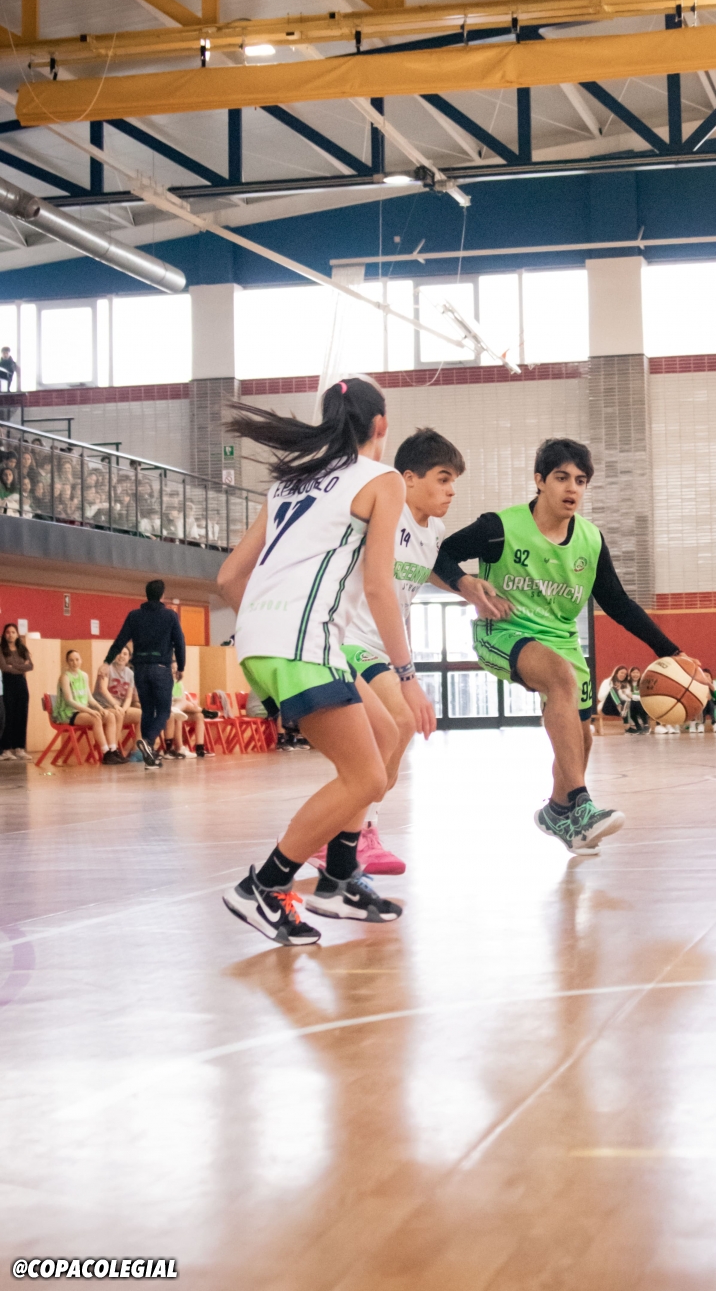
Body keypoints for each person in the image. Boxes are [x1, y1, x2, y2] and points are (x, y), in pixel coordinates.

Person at [218, 375, 435, 947]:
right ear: (380, 425)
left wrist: (267, 626)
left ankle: (338, 878)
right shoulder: (382, 479)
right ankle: (264, 887)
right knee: (366, 776)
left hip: (269, 638)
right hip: (301, 642)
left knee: (387, 733)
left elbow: (229, 577)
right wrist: (408, 677)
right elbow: (380, 587)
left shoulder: (291, 480)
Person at [431, 436, 691, 855]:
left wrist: (671, 651)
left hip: (561, 640)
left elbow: (618, 603)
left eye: (581, 480)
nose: (572, 488)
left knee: (581, 739)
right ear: (540, 480)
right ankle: (583, 806)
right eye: (561, 477)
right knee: (559, 677)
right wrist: (465, 583)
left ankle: (557, 810)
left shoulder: (590, 540)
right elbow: (441, 554)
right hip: (503, 631)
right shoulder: (499, 528)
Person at [332, 427, 463, 875]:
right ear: (408, 478)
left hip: (381, 647)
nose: (450, 491)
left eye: (453, 482)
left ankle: (350, 827)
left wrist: (469, 587)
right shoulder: (385, 511)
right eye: (442, 479)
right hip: (350, 638)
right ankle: (352, 834)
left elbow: (414, 586)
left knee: (388, 741)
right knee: (401, 721)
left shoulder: (436, 531)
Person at [105, 580, 186, 769]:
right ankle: (148, 742)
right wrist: (181, 666)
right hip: (161, 668)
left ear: (147, 594)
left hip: (140, 670)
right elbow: (179, 643)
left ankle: (150, 759)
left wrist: (107, 661)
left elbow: (120, 640)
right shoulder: (170, 615)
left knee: (148, 710)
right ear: (162, 595)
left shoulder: (134, 616)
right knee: (164, 711)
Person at [53, 649, 125, 763]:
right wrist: (90, 711)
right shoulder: (65, 677)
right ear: (67, 662)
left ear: (81, 660)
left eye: (77, 659)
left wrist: (100, 709)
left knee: (110, 716)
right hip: (69, 713)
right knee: (95, 718)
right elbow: (69, 700)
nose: (74, 662)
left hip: (83, 711)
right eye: (71, 660)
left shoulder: (84, 676)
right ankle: (106, 753)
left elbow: (90, 698)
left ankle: (113, 750)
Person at [93, 643, 144, 761]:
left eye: (125, 654)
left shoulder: (130, 673)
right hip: (102, 705)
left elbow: (129, 697)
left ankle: (136, 751)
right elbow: (103, 690)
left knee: (142, 714)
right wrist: (116, 706)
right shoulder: (107, 668)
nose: (121, 656)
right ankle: (113, 751)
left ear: (129, 657)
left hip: (119, 707)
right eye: (119, 653)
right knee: (118, 714)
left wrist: (124, 709)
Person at [0, 623, 33, 759]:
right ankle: (6, 749)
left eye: (13, 632)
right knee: (8, 716)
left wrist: (13, 665)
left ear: (17, 634)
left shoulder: (22, 649)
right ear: (4, 634)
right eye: (8, 632)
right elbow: (4, 667)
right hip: (7, 683)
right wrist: (20, 666)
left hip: (21, 683)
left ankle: (19, 748)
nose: (10, 635)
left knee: (21, 714)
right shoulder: (1, 649)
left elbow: (30, 666)